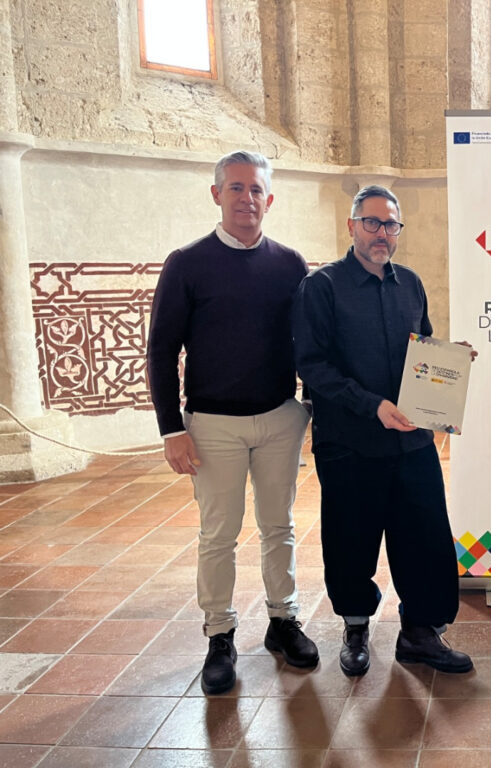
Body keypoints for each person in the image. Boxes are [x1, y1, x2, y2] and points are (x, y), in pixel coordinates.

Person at [147, 150, 319, 695]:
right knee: (219, 534)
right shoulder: (187, 263)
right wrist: (171, 429)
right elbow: (160, 351)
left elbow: (308, 342)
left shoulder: (289, 263)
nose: (247, 198)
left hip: (279, 418)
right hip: (212, 424)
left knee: (279, 525)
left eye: (256, 189)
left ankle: (283, 620)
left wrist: (313, 409)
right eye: (237, 188)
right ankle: (219, 634)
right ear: (217, 194)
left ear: (270, 199)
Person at [291, 184, 473, 677]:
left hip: (412, 440)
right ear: (351, 226)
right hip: (349, 443)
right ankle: (355, 626)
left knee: (426, 538)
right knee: (351, 541)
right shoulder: (321, 287)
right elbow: (312, 365)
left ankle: (420, 633)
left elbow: (421, 344)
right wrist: (372, 406)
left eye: (391, 224)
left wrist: (448, 360)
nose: (382, 233)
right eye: (371, 222)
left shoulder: (410, 283)